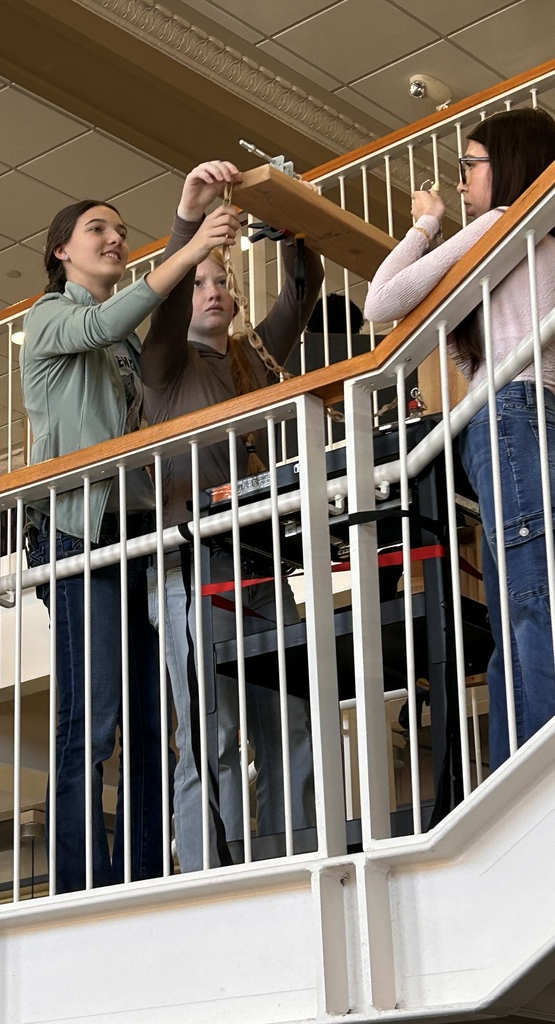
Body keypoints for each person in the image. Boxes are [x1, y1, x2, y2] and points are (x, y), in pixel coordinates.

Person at [21, 193, 241, 893]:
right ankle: (82, 885)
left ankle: (143, 877)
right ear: (62, 250)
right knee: (94, 718)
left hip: (135, 530)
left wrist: (191, 220)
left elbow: (139, 327)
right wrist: (191, 238)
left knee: (150, 720)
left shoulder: (122, 342)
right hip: (74, 530)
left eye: (120, 230)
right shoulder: (52, 317)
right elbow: (113, 314)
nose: (114, 237)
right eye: (97, 229)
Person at [142, 161, 324, 870]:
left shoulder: (251, 359)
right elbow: (157, 312)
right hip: (189, 569)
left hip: (257, 567)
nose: (214, 290)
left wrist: (292, 224)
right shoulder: (166, 365)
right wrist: (188, 227)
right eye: (200, 282)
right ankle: (207, 872)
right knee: (209, 731)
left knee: (295, 719)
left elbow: (303, 294)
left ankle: (295, 854)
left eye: (222, 280)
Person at [364, 107, 555, 771]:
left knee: (526, 610)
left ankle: (526, 788)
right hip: (525, 414)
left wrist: (425, 223)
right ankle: (522, 784)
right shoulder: (532, 235)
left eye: (470, 165)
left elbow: (380, 301)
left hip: (510, 412)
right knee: (526, 610)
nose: (464, 180)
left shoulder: (501, 226)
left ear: (504, 167)